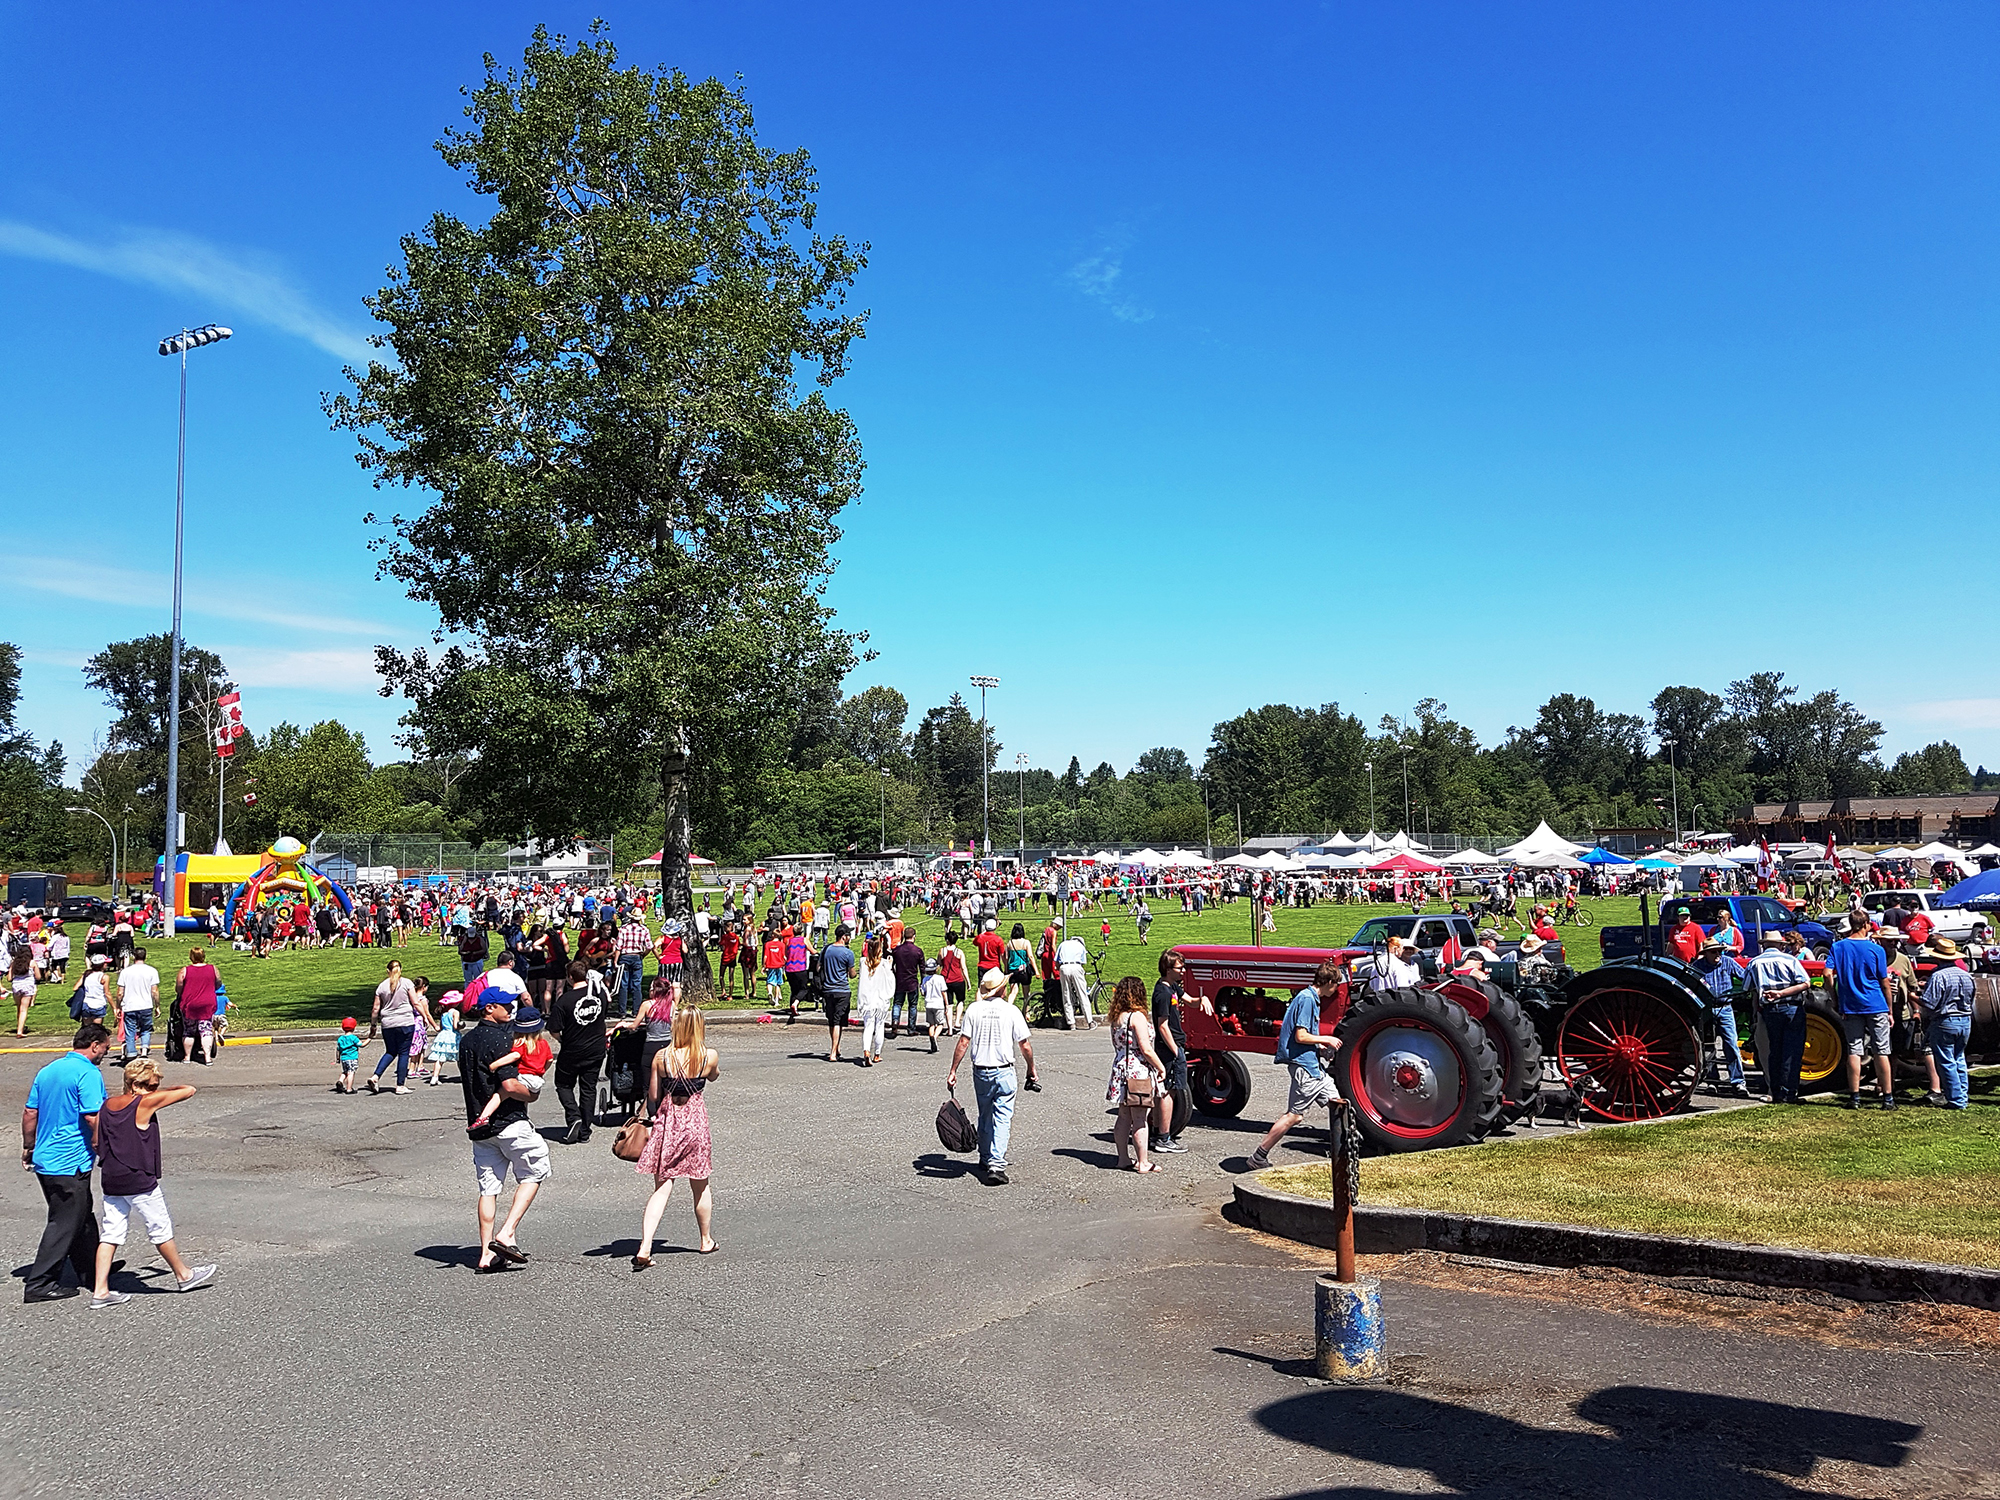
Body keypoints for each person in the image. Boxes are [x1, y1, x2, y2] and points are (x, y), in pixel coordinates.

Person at [86, 1058, 215, 1308]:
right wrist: (161, 1092)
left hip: (111, 1176)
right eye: (151, 1085)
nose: (154, 1090)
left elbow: (95, 1140)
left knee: (111, 1232)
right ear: (135, 1084)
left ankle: (100, 1290)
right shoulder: (143, 1104)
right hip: (138, 1175)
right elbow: (188, 1090)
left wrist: (154, 1088)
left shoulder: (107, 1104)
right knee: (159, 1226)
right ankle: (183, 1274)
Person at [21, 1021, 114, 1302]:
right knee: (64, 1221)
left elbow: (29, 1112)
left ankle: (93, 1270)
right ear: (94, 1045)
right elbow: (92, 1116)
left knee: (82, 1217)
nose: (105, 1054)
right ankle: (40, 1282)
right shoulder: (87, 1073)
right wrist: (102, 1146)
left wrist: (29, 1146)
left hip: (47, 1157)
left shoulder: (49, 1070)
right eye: (105, 1049)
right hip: (70, 1159)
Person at [458, 991, 549, 1273]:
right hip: (509, 1121)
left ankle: (486, 1254)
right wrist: (530, 1096)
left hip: (480, 1124)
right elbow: (509, 1085)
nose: (511, 1009)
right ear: (489, 1009)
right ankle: (507, 1232)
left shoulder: (467, 1040)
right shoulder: (500, 1039)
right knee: (537, 1169)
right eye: (505, 1005)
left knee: (488, 1188)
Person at [633, 1006, 719, 1266]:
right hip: (695, 1124)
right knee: (700, 1183)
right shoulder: (709, 1056)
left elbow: (653, 1096)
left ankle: (645, 1246)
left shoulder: (662, 1057)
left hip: (669, 1122)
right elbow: (713, 1077)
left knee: (662, 1187)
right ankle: (705, 1239)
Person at [946, 970, 1040, 1186]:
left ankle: (985, 1155)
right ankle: (996, 1164)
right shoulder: (1011, 1011)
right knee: (1003, 1116)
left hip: (981, 1070)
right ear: (1003, 988)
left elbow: (963, 1042)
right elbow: (1024, 1044)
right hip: (1004, 1069)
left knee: (985, 1114)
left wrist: (953, 1070)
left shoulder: (974, 1009)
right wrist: (1031, 1067)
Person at [1248, 961, 1345, 1170]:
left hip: (1313, 1067)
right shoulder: (1308, 999)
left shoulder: (1308, 998)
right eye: (1335, 984)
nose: (1337, 988)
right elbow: (1301, 1036)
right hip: (1306, 1069)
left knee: (1338, 1104)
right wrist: (1325, 1039)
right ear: (1328, 982)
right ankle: (1259, 1155)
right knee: (1294, 1116)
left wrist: (1320, 1049)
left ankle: (1345, 1152)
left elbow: (1297, 1037)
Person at [1828, 916, 1895, 1109]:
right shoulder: (1876, 949)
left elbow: (1826, 973)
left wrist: (1834, 997)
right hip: (1876, 1003)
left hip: (1850, 1005)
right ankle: (1887, 1098)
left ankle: (1854, 1096)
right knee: (1881, 1051)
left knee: (1854, 1050)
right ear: (1865, 925)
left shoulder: (1838, 947)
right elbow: (1884, 982)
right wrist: (1889, 1009)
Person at [1106, 977, 1167, 1172]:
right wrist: (1160, 1067)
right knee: (1140, 1117)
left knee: (1124, 1115)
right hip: (1138, 1070)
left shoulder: (1117, 1017)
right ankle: (1143, 1162)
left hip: (1120, 1068)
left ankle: (1123, 1158)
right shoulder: (1137, 1017)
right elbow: (1146, 1048)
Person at [1150, 950, 1207, 1153]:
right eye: (1179, 967)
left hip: (1173, 1046)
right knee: (1168, 1092)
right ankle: (1163, 1138)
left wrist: (1203, 999)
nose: (1183, 970)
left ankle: (1156, 1133)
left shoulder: (1172, 987)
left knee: (1165, 1091)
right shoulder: (1163, 993)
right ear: (1167, 969)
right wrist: (1175, 1050)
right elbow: (1162, 1025)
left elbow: (1190, 1001)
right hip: (1169, 1048)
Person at [1745, 933, 1812, 1103]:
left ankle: (1776, 1092)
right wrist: (1782, 993)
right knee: (1792, 1051)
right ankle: (1790, 1092)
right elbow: (1805, 983)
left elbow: (1748, 987)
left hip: (1769, 1010)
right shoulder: (1791, 961)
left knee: (1775, 1051)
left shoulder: (1755, 962)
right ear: (1781, 945)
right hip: (1791, 1007)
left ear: (1764, 945)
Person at [549, 961, 608, 1143]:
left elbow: (554, 1029)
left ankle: (574, 1116)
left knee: (563, 1084)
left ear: (570, 977)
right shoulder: (600, 995)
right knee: (588, 1088)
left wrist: (561, 1039)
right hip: (596, 1048)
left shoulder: (564, 1001)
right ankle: (585, 1130)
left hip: (573, 1049)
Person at [1920, 937, 1974, 1110]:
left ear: (1937, 957)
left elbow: (1929, 1003)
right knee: (1959, 1059)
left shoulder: (1938, 976)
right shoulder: (1966, 976)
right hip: (1964, 1020)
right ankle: (1962, 1096)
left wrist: (1914, 996)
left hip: (1945, 1021)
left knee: (1946, 1061)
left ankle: (1955, 1100)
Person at [1693, 938, 1750, 1097]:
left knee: (1731, 1044)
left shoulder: (1728, 963)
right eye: (1714, 951)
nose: (1718, 954)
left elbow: (1745, 977)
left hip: (1725, 1008)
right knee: (1708, 1047)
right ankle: (1712, 1081)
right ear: (1705, 954)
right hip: (1706, 1010)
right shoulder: (1697, 968)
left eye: (1720, 951)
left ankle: (1738, 1082)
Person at [366, 959, 432, 1095]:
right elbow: (416, 1002)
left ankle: (376, 1076)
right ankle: (400, 1085)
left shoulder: (381, 986)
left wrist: (373, 1025)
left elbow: (375, 1008)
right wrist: (424, 1016)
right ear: (400, 970)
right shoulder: (407, 983)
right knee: (403, 1052)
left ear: (387, 971)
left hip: (388, 1023)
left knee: (390, 1051)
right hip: (405, 1022)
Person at [175, 947, 222, 1066]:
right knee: (206, 1030)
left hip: (190, 1003)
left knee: (189, 1031)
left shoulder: (185, 971)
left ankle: (187, 1056)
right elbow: (218, 983)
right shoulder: (213, 969)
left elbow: (179, 987)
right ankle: (207, 1057)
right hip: (207, 1002)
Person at [856, 933, 896, 1067]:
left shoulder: (863, 962)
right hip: (880, 1001)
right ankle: (877, 1054)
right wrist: (890, 966)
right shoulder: (884, 963)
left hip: (868, 1000)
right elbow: (890, 980)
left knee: (868, 1027)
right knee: (879, 1026)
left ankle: (866, 1051)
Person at [818, 923, 856, 1063]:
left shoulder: (826, 949)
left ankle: (836, 1046)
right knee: (838, 1021)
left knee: (832, 1020)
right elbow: (852, 975)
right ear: (844, 937)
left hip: (828, 989)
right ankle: (833, 1052)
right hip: (842, 989)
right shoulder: (848, 953)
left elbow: (818, 967)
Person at [116, 946, 161, 1061]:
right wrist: (157, 1006)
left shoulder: (125, 972)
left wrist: (118, 1006)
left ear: (133, 956)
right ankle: (144, 1048)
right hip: (146, 1004)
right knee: (146, 1028)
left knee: (130, 1029)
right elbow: (154, 991)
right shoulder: (152, 971)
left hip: (129, 1005)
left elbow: (120, 992)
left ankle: (131, 1052)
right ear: (145, 956)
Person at [1054, 924, 1095, 1030]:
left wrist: (1060, 970)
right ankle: (1090, 1021)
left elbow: (1056, 960)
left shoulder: (1063, 944)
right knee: (1082, 994)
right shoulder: (1081, 946)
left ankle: (1071, 1022)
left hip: (1064, 967)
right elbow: (1082, 962)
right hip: (1076, 966)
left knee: (1066, 994)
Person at [891, 926, 925, 1039]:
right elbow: (922, 969)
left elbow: (892, 965)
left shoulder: (897, 950)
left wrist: (895, 974)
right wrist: (923, 982)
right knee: (913, 1005)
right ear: (914, 937)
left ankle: (895, 1022)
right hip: (912, 981)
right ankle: (911, 1028)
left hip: (900, 980)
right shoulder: (918, 951)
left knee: (897, 1003)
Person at [937, 931, 968, 1033]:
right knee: (960, 1001)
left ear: (947, 940)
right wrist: (968, 981)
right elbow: (963, 967)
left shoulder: (942, 951)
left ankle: (949, 1028)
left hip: (945, 980)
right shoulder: (959, 952)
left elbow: (939, 963)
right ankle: (957, 1022)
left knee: (948, 1004)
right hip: (958, 979)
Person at [921, 960, 948, 1053]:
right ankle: (935, 1038)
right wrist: (947, 1004)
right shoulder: (940, 978)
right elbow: (943, 992)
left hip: (929, 1003)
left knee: (931, 1024)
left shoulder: (925, 979)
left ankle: (932, 1037)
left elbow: (923, 992)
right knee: (940, 1023)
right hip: (938, 1003)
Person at [336, 1017, 364, 1092]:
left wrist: (338, 1058)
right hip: (352, 1058)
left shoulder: (340, 1038)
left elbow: (338, 1050)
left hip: (344, 1058)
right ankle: (349, 1089)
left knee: (345, 1072)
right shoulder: (354, 1038)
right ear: (354, 1028)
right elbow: (362, 1045)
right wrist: (369, 1039)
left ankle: (340, 1081)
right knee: (351, 1073)